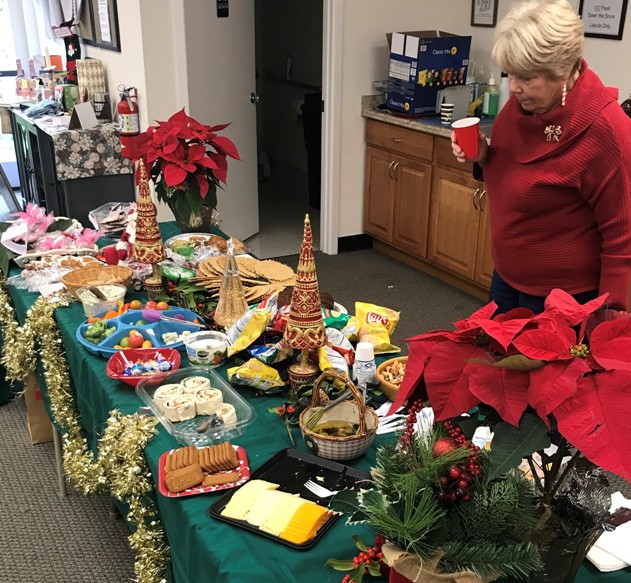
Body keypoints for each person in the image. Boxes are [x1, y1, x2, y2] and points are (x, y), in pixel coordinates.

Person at [451, 0, 631, 314]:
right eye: (510, 74)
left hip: (564, 297)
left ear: (563, 71)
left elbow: (622, 237)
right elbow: (516, 173)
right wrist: (483, 157)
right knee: (490, 347)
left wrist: (609, 318)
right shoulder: (524, 105)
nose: (513, 88)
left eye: (526, 78)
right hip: (507, 278)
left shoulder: (606, 129)